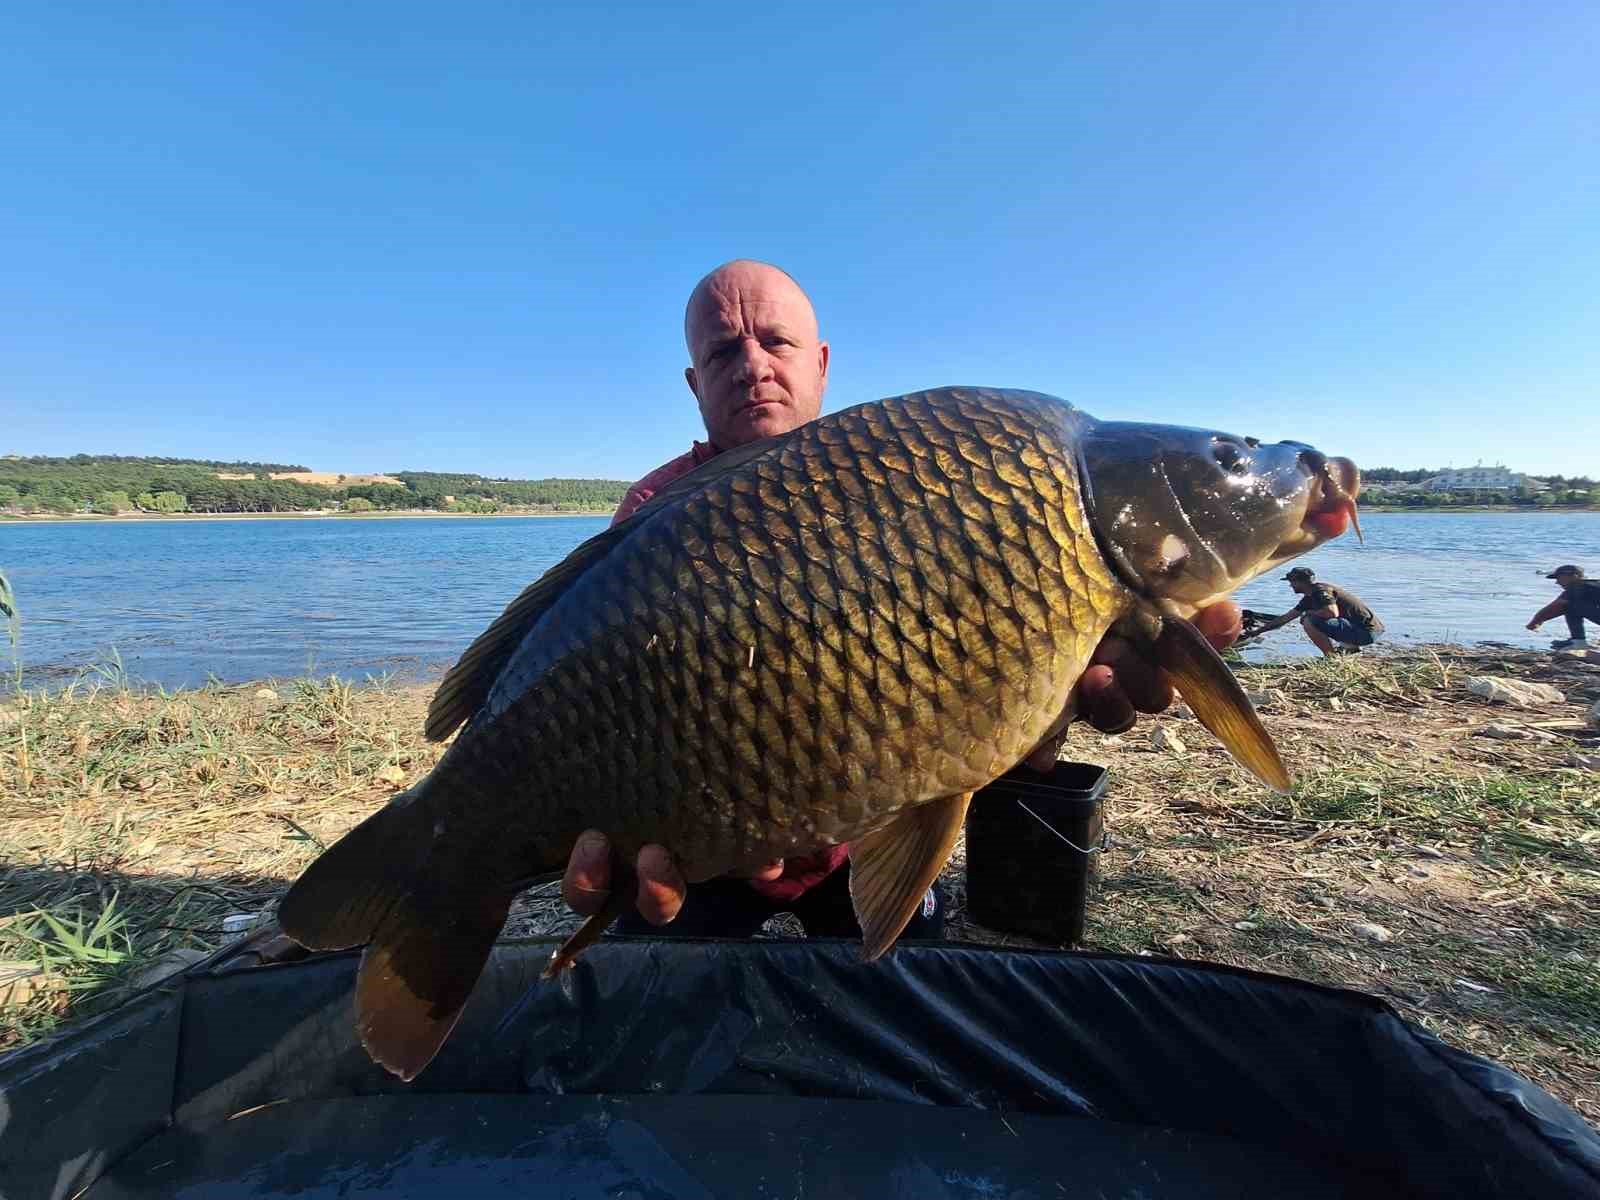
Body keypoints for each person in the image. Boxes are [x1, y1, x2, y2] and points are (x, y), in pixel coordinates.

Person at [563, 259, 1243, 937]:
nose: (752, 366)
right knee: (656, 960)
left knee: (911, 969)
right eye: (722, 351)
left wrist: (1043, 698)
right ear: (694, 382)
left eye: (776, 341)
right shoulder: (652, 517)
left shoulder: (904, 477)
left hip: (868, 832)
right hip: (714, 844)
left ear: (820, 362)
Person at [1242, 566, 1383, 656]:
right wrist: (1256, 632)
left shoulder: (1321, 591)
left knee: (1308, 620)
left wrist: (1309, 613)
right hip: (1364, 630)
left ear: (1301, 582)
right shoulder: (1308, 598)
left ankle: (1331, 657)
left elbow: (1332, 613)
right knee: (1308, 617)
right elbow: (1284, 619)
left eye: (1292, 582)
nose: (1290, 585)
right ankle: (1350, 647)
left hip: (1367, 632)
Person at [1527, 565, 1600, 650]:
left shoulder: (1577, 587)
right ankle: (1577, 641)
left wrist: (1534, 622)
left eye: (1559, 578)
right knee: (1572, 606)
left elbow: (1556, 606)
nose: (1557, 582)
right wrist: (1539, 620)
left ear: (1574, 576)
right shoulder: (1593, 584)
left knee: (1569, 607)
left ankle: (1578, 642)